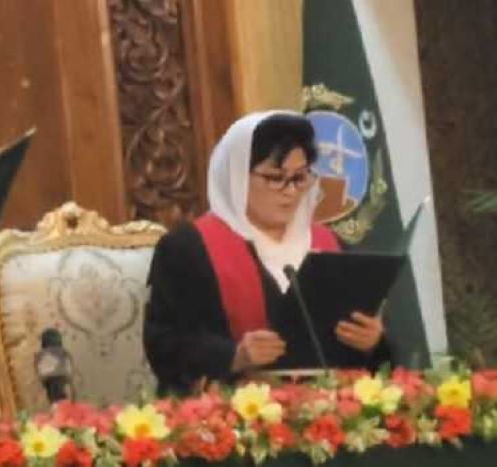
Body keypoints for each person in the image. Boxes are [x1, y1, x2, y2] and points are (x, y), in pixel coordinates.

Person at [144, 111, 390, 395]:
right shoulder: (188, 248)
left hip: (330, 405)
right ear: (237, 176)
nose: (290, 191)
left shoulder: (330, 244)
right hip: (237, 409)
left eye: (300, 178)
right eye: (276, 178)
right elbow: (164, 343)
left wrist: (373, 342)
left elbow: (364, 345)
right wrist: (235, 355)